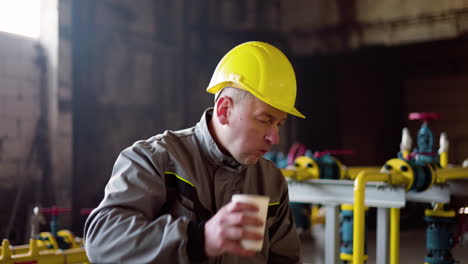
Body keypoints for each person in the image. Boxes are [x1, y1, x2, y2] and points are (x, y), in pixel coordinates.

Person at [84, 41, 305, 263]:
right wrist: (199, 239)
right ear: (224, 110)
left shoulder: (271, 182)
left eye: (279, 124)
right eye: (264, 120)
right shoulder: (155, 160)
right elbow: (102, 240)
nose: (274, 138)